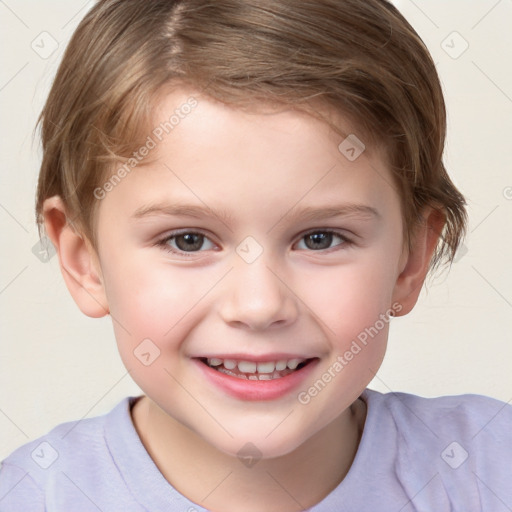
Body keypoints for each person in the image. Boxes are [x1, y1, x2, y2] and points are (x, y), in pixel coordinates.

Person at [1, 0, 511, 510]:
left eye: (320, 238)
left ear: (410, 260)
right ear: (84, 259)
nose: (259, 305)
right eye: (188, 240)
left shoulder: (488, 469)